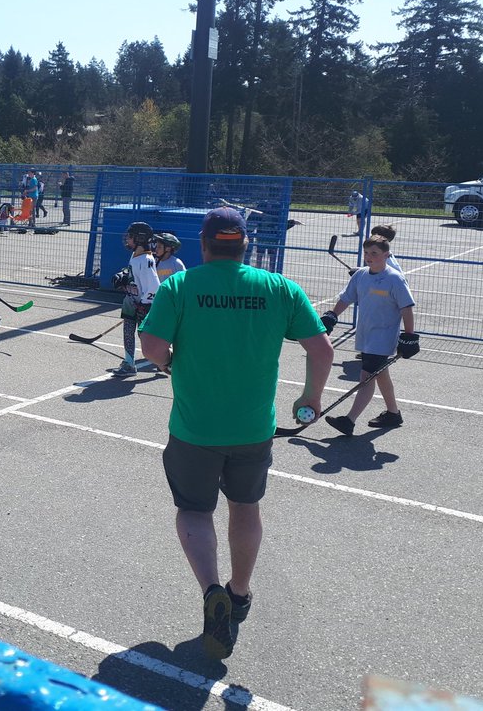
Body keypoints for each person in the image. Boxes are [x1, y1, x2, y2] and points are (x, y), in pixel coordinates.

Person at [138, 206, 334, 660]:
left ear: (205, 245)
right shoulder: (279, 288)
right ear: (245, 245)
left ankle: (212, 592)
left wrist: (171, 364)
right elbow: (321, 350)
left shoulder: (181, 286)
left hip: (194, 428)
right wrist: (310, 399)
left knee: (193, 510)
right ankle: (240, 592)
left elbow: (151, 347)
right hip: (252, 429)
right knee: (245, 507)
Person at [321, 236, 419, 435]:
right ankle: (393, 414)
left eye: (374, 253)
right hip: (365, 335)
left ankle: (349, 420)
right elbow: (346, 298)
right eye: (366, 253)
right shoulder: (361, 276)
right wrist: (332, 315)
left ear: (386, 255)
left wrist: (409, 335)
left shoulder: (395, 279)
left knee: (366, 378)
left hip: (382, 338)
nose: (369, 257)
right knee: (380, 375)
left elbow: (407, 308)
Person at [111, 222, 160, 378]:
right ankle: (129, 363)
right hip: (131, 301)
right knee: (128, 332)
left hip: (142, 304)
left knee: (146, 337)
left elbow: (154, 286)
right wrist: (124, 275)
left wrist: (144, 304)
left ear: (139, 239)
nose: (127, 239)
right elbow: (134, 273)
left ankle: (166, 359)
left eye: (130, 236)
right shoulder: (136, 255)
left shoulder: (146, 260)